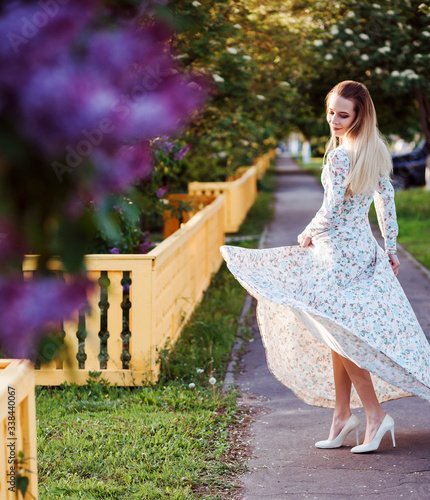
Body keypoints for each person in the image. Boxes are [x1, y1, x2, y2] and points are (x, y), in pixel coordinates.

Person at [220, 80, 430, 453]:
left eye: (342, 114)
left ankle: (375, 415)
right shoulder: (374, 149)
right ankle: (341, 415)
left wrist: (307, 231)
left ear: (359, 115)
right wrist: (390, 246)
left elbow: (332, 209)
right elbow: (386, 200)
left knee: (340, 333)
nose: (333, 119)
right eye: (331, 111)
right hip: (362, 251)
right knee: (338, 329)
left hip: (334, 255)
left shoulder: (339, 156)